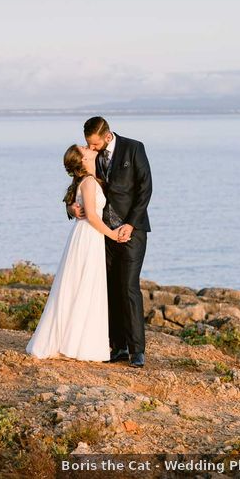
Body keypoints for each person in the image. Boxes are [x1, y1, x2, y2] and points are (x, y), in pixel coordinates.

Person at [68, 117, 152, 368]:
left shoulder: (134, 148)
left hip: (131, 231)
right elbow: (77, 186)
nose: (90, 149)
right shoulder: (90, 159)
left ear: (106, 136)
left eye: (94, 144)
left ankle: (138, 350)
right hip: (100, 234)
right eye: (88, 145)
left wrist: (131, 224)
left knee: (128, 287)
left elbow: (144, 189)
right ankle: (118, 347)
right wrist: (73, 208)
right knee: (109, 288)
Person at [26, 145, 119, 361]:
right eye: (85, 148)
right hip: (88, 235)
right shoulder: (87, 182)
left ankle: (75, 342)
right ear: (83, 159)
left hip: (89, 236)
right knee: (81, 285)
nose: (89, 147)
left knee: (81, 286)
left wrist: (72, 208)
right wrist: (113, 235)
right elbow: (93, 217)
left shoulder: (86, 180)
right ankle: (69, 343)